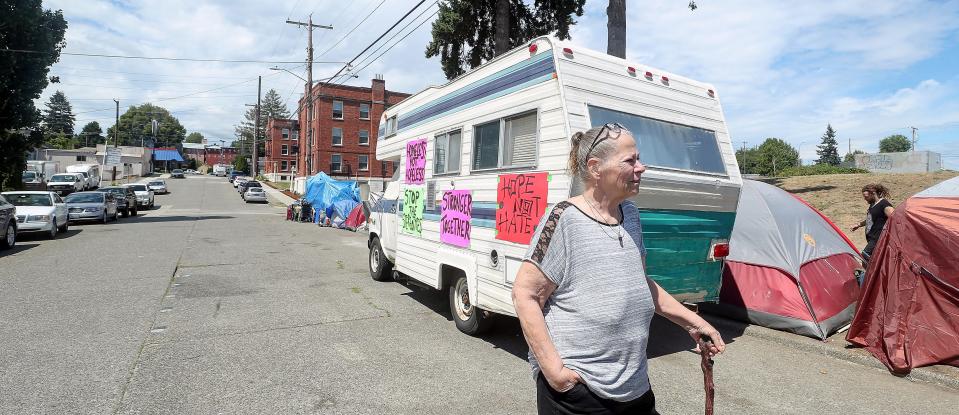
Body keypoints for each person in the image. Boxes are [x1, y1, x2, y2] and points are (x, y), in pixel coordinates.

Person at [512, 123, 726, 415]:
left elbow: (642, 284)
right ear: (596, 168)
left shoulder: (631, 215)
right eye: (631, 161)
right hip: (581, 393)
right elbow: (526, 294)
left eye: (639, 158)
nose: (642, 167)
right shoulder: (564, 218)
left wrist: (694, 322)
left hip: (633, 386)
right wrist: (555, 373)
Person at [850, 184, 895, 262]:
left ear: (873, 193)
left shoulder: (884, 204)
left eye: (866, 196)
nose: (865, 199)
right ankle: (872, 272)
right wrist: (858, 225)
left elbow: (895, 219)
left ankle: (870, 273)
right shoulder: (873, 204)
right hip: (872, 237)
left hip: (879, 237)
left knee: (865, 254)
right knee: (873, 257)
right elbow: (870, 219)